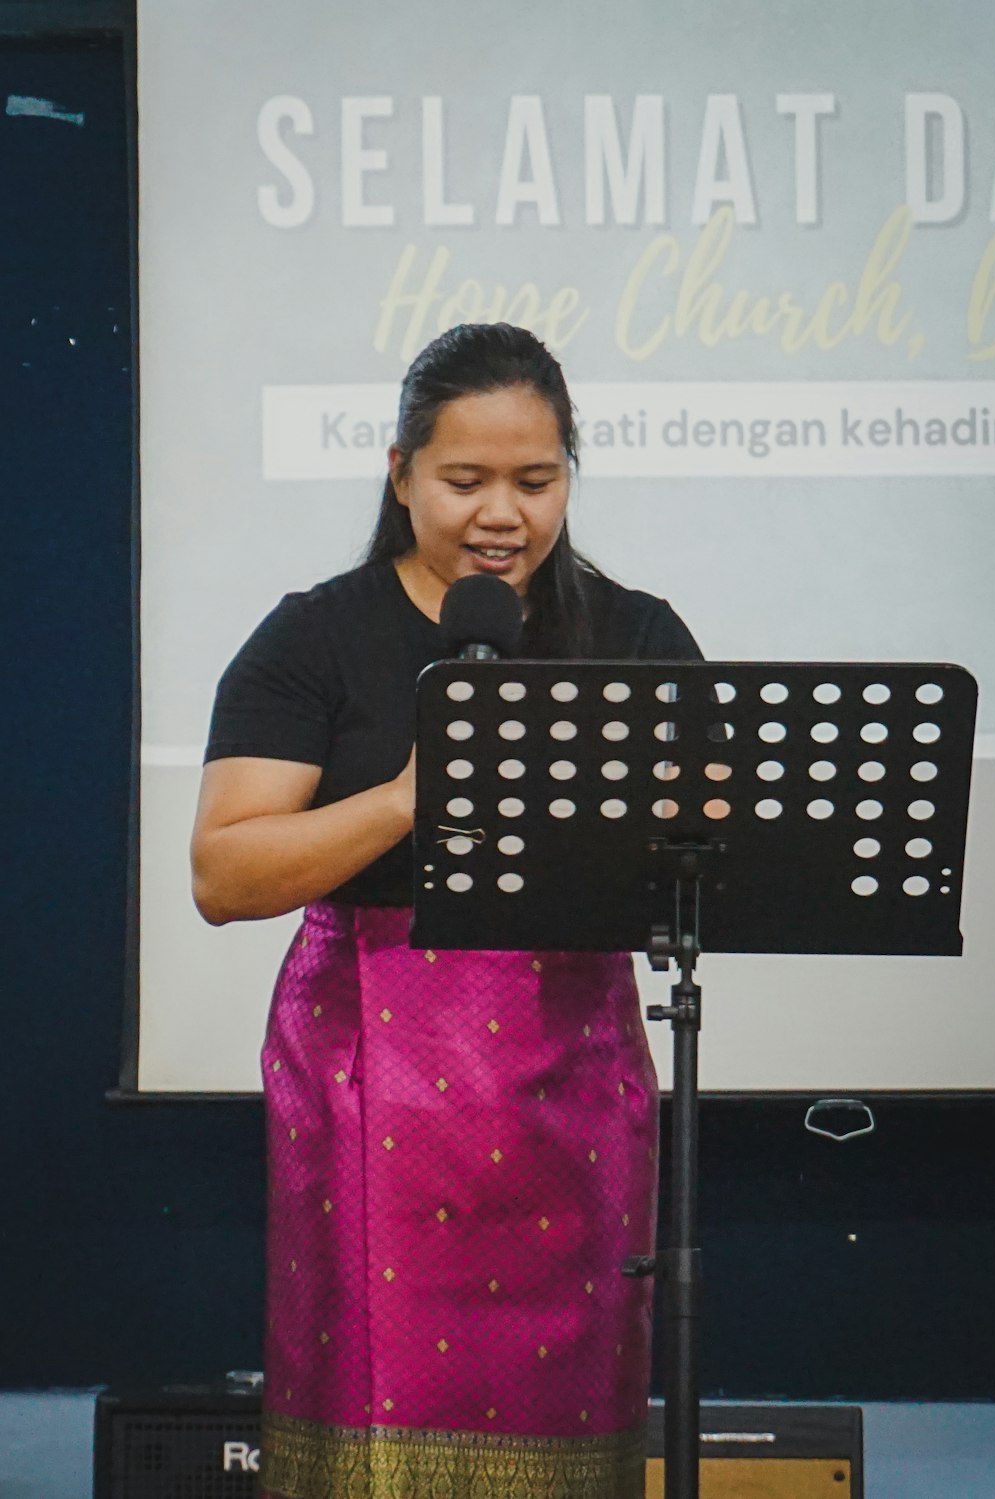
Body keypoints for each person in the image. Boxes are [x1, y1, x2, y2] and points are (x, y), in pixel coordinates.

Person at [191, 323, 702, 1499]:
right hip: (373, 1068)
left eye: (536, 480)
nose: (502, 514)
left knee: (571, 1405)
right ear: (400, 473)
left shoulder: (632, 633)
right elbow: (226, 875)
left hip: (568, 1076)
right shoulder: (316, 635)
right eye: (464, 480)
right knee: (373, 1407)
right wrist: (414, 792)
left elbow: (705, 832)